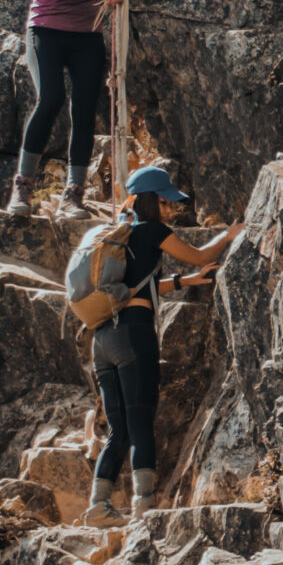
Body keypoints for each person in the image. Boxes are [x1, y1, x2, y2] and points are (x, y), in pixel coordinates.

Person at [85, 164, 242, 526]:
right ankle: (143, 508)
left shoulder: (118, 236)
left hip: (103, 338)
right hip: (134, 334)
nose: (170, 208)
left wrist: (186, 281)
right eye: (165, 201)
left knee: (119, 429)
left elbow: (142, 286)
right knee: (141, 420)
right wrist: (229, 234)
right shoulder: (152, 230)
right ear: (151, 200)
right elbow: (201, 255)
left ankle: (98, 507)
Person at [8, 0, 127, 213]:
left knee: (85, 110)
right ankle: (23, 188)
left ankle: (73, 194)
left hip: (87, 32)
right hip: (46, 28)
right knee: (51, 98)